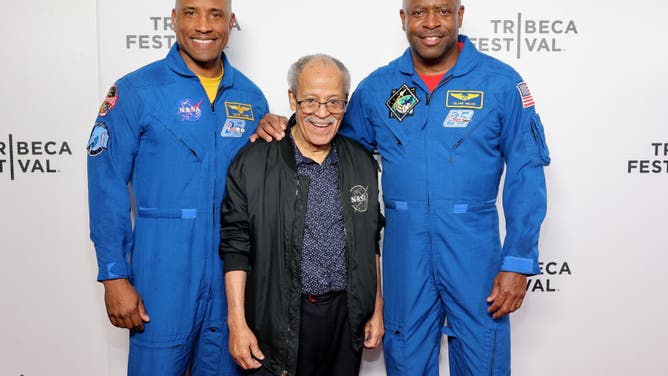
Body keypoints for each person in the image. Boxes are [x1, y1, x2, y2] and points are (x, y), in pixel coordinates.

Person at [253, 1, 551, 375]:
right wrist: (282, 126)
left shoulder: (500, 83)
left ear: (459, 15)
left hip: (474, 254)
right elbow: (328, 142)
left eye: (442, 11)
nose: (430, 23)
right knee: (407, 363)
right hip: (404, 254)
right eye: (419, 11)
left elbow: (527, 172)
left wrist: (518, 261)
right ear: (403, 18)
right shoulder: (379, 88)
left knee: (483, 364)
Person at [86, 0, 268, 374]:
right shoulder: (137, 91)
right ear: (173, 19)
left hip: (230, 279)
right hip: (161, 275)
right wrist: (114, 275)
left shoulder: (251, 99)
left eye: (215, 14)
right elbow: (107, 184)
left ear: (230, 23)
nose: (204, 26)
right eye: (191, 13)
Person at [220, 54, 384, 376]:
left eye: (333, 102)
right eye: (310, 100)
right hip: (281, 319)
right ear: (292, 98)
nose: (322, 113)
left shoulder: (362, 162)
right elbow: (235, 247)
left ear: (345, 104)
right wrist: (236, 323)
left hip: (345, 319)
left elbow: (371, 239)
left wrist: (376, 307)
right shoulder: (254, 162)